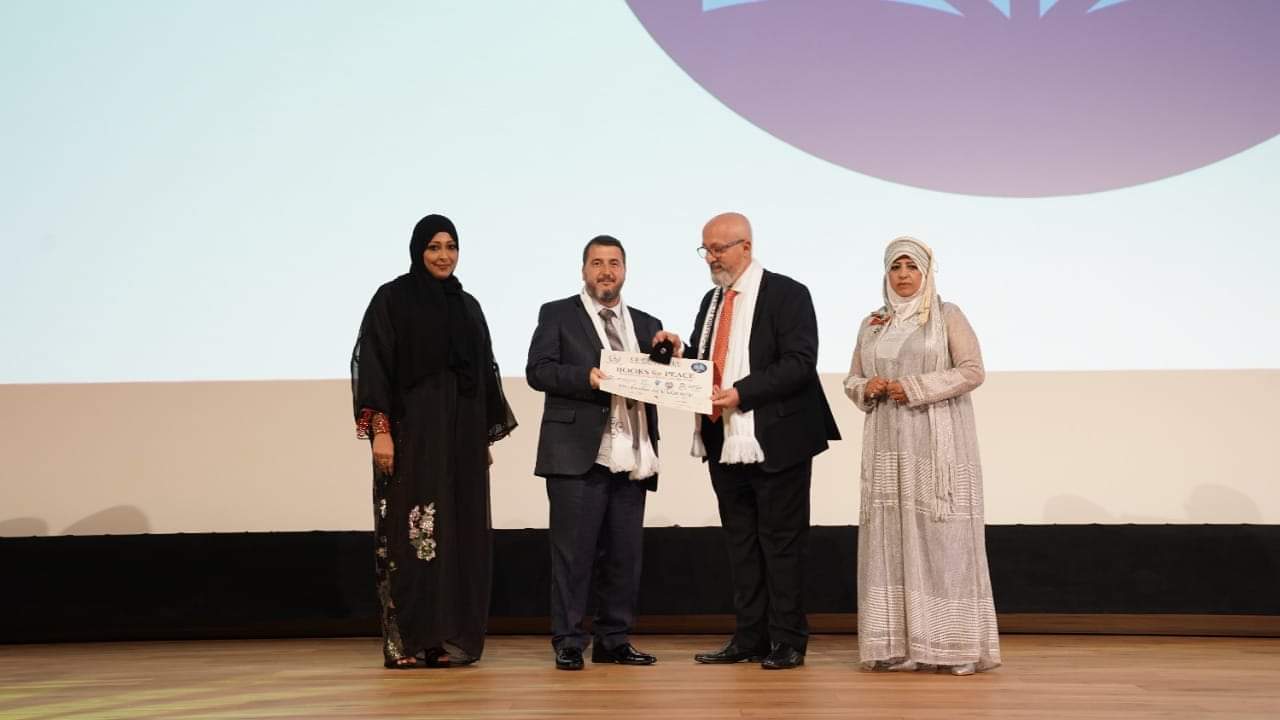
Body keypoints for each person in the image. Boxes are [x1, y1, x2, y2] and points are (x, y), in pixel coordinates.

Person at [655, 212, 840, 670]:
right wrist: (680, 354)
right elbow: (708, 364)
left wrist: (742, 393)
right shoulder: (712, 300)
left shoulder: (787, 293)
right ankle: (749, 638)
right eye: (706, 250)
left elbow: (799, 362)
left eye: (719, 248)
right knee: (741, 544)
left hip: (777, 438)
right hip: (724, 439)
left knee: (782, 544)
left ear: (746, 247)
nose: (711, 258)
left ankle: (788, 640)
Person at [350, 214, 517, 669]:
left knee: (456, 536)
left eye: (451, 247)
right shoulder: (393, 299)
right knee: (413, 534)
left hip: (460, 440)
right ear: (417, 251)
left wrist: (481, 439)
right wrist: (380, 431)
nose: (444, 256)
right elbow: (374, 366)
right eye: (434, 247)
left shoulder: (467, 306)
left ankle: (441, 639)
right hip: (412, 436)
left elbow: (483, 375)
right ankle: (405, 641)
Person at [843, 236, 1001, 675]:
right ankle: (902, 646)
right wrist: (867, 387)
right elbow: (852, 378)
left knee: (942, 539)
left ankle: (957, 647)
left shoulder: (947, 316)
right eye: (895, 267)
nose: (903, 275)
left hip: (936, 445)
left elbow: (973, 371)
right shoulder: (873, 323)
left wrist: (913, 387)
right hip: (887, 445)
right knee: (891, 538)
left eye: (912, 267)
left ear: (927, 273)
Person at [526, 235, 663, 671]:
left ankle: (613, 639)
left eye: (614, 263)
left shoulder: (647, 324)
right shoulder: (557, 314)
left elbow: (666, 380)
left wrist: (673, 353)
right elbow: (538, 371)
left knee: (624, 556)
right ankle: (569, 640)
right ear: (584, 270)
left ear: (625, 270)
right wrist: (585, 377)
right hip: (576, 453)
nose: (606, 271)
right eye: (597, 263)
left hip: (633, 454)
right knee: (573, 555)